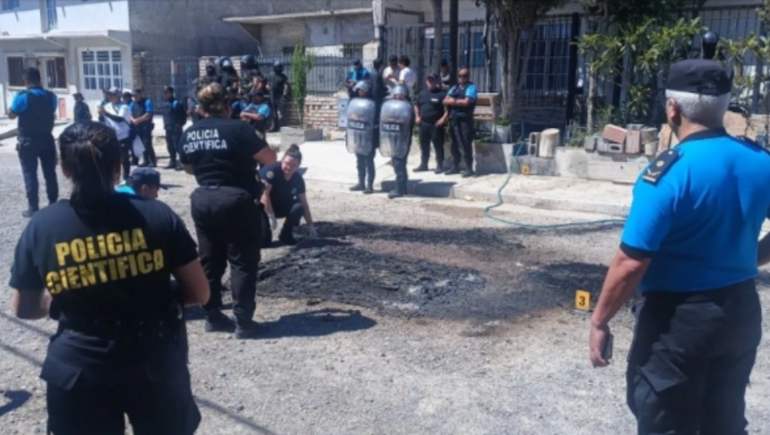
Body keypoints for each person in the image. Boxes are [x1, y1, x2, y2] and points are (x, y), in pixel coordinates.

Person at [589, 59, 770, 435]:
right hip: (740, 310)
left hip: (678, 320)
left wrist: (600, 320)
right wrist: (747, 260)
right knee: (724, 420)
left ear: (673, 109)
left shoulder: (668, 172)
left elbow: (630, 262)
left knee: (665, 420)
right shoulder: (761, 162)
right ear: (725, 106)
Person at [8, 120, 209, 435]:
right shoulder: (157, 214)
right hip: (152, 359)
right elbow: (199, 293)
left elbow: (24, 308)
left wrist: (69, 289)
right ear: (118, 166)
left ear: (64, 169)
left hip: (78, 366)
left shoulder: (42, 226)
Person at [178, 83, 277, 339]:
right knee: (243, 261)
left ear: (200, 109)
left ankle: (212, 316)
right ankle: (243, 322)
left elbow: (189, 169)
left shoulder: (189, 133)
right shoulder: (239, 129)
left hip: (203, 198)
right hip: (236, 197)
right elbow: (269, 159)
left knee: (210, 260)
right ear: (226, 105)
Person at [9, 67, 59, 218]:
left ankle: (33, 206)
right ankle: (53, 203)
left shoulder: (22, 96)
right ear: (39, 79)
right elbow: (52, 111)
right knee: (50, 173)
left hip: (28, 140)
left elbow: (12, 115)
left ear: (26, 80)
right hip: (46, 139)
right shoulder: (51, 96)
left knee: (29, 173)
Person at [259, 145, 316, 246]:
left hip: (281, 206)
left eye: (294, 165)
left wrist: (310, 225)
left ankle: (286, 234)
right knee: (264, 243)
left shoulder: (298, 179)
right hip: (263, 207)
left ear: (298, 166)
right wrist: (271, 216)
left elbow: (304, 202)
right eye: (287, 163)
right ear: (282, 160)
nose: (289, 167)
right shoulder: (271, 171)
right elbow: (264, 195)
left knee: (299, 207)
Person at [443, 68, 477, 177]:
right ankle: (455, 165)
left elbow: (466, 102)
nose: (462, 78)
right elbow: (444, 100)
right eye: (460, 75)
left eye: (465, 75)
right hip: (454, 119)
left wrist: (453, 101)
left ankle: (469, 167)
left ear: (468, 76)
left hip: (465, 120)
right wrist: (456, 102)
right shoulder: (455, 87)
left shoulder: (471, 88)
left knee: (465, 143)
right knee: (454, 143)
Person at [415, 74, 449, 173]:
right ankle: (423, 164)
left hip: (436, 124)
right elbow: (417, 105)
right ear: (426, 81)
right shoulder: (422, 94)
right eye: (428, 80)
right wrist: (417, 116)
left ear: (436, 81)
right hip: (424, 123)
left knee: (438, 145)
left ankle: (439, 165)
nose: (430, 82)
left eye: (432, 80)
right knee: (424, 145)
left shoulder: (441, 94)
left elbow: (448, 109)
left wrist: (443, 119)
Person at [386, 85, 415, 199]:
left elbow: (405, 121)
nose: (399, 95)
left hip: (403, 139)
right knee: (396, 162)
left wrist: (394, 120)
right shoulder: (393, 107)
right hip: (394, 137)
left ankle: (399, 189)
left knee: (399, 163)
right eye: (397, 94)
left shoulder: (408, 107)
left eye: (401, 93)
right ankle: (402, 187)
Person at [349, 80, 377, 195]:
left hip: (369, 136)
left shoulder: (373, 101)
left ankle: (369, 185)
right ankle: (361, 182)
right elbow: (350, 114)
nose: (360, 92)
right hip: (358, 134)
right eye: (359, 90)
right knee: (359, 160)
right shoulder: (355, 101)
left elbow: (374, 117)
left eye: (362, 90)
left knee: (368, 161)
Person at [100, 87, 133, 181]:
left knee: (124, 158)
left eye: (112, 95)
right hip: (110, 136)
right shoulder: (107, 106)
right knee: (112, 158)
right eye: (109, 94)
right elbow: (103, 120)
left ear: (118, 96)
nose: (109, 96)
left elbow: (119, 119)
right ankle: (114, 177)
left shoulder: (124, 107)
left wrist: (106, 113)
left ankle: (126, 177)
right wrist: (101, 115)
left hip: (123, 136)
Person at [161, 86, 187, 170]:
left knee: (178, 146)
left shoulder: (176, 103)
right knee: (170, 145)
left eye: (167, 92)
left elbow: (183, 116)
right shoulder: (164, 103)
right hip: (168, 127)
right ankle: (172, 161)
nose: (165, 94)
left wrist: (179, 125)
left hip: (175, 128)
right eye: (164, 92)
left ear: (171, 93)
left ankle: (182, 163)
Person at [130, 88, 156, 167]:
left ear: (141, 94)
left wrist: (138, 120)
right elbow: (129, 113)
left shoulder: (147, 102)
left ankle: (152, 161)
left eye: (136, 95)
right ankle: (146, 160)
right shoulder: (133, 103)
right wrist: (133, 120)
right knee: (141, 145)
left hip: (146, 127)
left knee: (147, 144)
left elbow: (148, 114)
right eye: (134, 96)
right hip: (137, 127)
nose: (135, 97)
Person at [268, 61, 289, 132]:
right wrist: (268, 88)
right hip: (273, 96)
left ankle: (282, 127)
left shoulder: (283, 77)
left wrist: (284, 96)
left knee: (282, 113)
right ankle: (275, 127)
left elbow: (286, 86)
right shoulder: (271, 76)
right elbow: (268, 85)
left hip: (280, 97)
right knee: (274, 114)